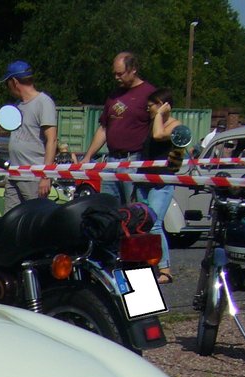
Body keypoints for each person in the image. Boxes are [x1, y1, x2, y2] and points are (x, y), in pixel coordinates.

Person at [80, 52, 150, 204]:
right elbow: (104, 128)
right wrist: (88, 156)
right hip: (111, 160)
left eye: (120, 74)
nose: (116, 78)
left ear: (133, 70)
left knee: (134, 210)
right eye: (115, 74)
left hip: (134, 161)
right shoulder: (114, 95)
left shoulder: (149, 93)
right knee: (108, 208)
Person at [136, 88, 182, 285]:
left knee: (154, 223)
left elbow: (158, 135)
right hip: (144, 179)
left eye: (152, 105)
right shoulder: (149, 123)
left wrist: (161, 114)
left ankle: (165, 269)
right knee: (141, 224)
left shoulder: (175, 125)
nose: (148, 109)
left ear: (164, 105)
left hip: (162, 182)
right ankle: (146, 265)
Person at [0, 60, 56, 211]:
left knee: (34, 220)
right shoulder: (18, 105)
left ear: (14, 82)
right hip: (14, 173)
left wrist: (46, 175)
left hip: (33, 177)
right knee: (10, 220)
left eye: (7, 83)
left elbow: (52, 140)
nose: (7, 87)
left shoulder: (43, 102)